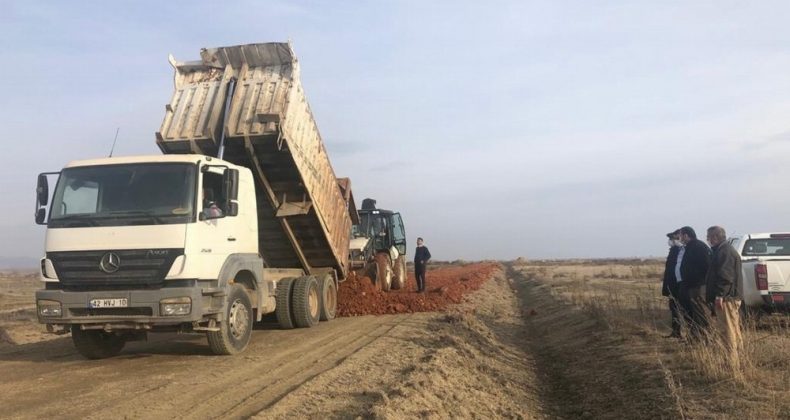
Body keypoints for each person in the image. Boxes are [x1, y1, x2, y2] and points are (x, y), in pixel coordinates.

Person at [705, 226, 744, 369]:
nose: (708, 239)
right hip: (729, 297)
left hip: (727, 298)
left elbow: (725, 277)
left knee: (727, 332)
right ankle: (740, 360)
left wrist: (719, 296)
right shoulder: (723, 250)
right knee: (733, 329)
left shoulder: (724, 251)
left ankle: (732, 364)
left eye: (708, 236)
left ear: (715, 237)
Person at [676, 226, 711, 340]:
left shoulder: (699, 247)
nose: (679, 238)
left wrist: (698, 280)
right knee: (693, 314)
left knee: (701, 313)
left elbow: (706, 266)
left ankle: (707, 338)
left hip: (698, 286)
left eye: (680, 235)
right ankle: (696, 338)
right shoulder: (689, 247)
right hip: (690, 286)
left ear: (686, 235)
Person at [661, 229, 684, 338]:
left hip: (678, 286)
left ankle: (680, 332)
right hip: (672, 285)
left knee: (680, 309)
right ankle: (675, 332)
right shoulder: (673, 250)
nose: (671, 241)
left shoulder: (680, 251)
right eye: (671, 239)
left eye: (673, 238)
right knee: (674, 308)